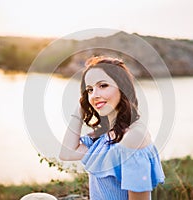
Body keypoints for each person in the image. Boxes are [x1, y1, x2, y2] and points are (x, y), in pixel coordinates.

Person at [59, 56, 165, 200]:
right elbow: (66, 153)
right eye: (89, 90)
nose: (94, 95)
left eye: (103, 86)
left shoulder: (134, 137)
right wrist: (81, 108)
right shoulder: (103, 136)